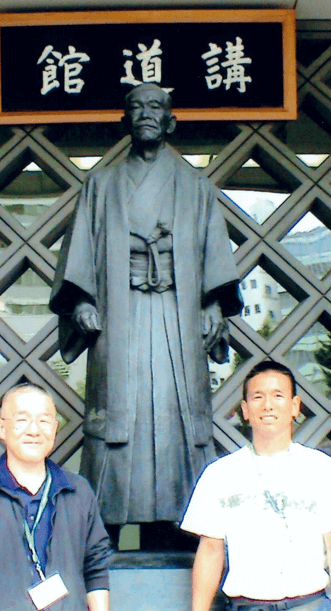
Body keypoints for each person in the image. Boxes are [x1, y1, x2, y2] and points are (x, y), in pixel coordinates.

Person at [49, 83, 243, 538]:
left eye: (155, 106)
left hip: (179, 317)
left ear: (171, 119)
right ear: (126, 120)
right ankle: (106, 536)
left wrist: (213, 301)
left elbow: (213, 251)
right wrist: (80, 300)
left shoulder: (196, 186)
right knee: (118, 414)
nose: (145, 114)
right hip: (119, 315)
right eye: (135, 107)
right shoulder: (101, 185)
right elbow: (78, 254)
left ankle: (182, 530)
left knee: (179, 416)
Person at [0, 384, 110, 611]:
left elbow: (95, 569)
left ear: (55, 429)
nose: (34, 430)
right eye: (22, 420)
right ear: (1, 428)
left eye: (44, 421)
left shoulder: (78, 492)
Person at [180, 360, 331, 611]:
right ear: (245, 410)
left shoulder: (322, 469)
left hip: (310, 604)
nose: (268, 405)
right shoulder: (219, 474)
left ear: (295, 406)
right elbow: (210, 551)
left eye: (278, 395)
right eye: (258, 397)